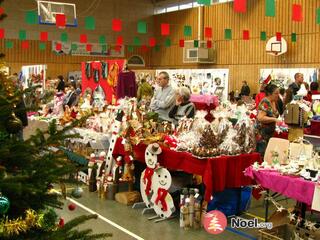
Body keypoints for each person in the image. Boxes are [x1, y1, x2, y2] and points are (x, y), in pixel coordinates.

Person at [256, 84, 280, 156]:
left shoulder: (273, 102)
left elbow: (274, 114)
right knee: (263, 155)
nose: (278, 95)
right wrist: (274, 119)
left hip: (269, 134)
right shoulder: (265, 102)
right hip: (263, 135)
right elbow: (260, 118)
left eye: (278, 93)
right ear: (269, 94)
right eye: (276, 93)